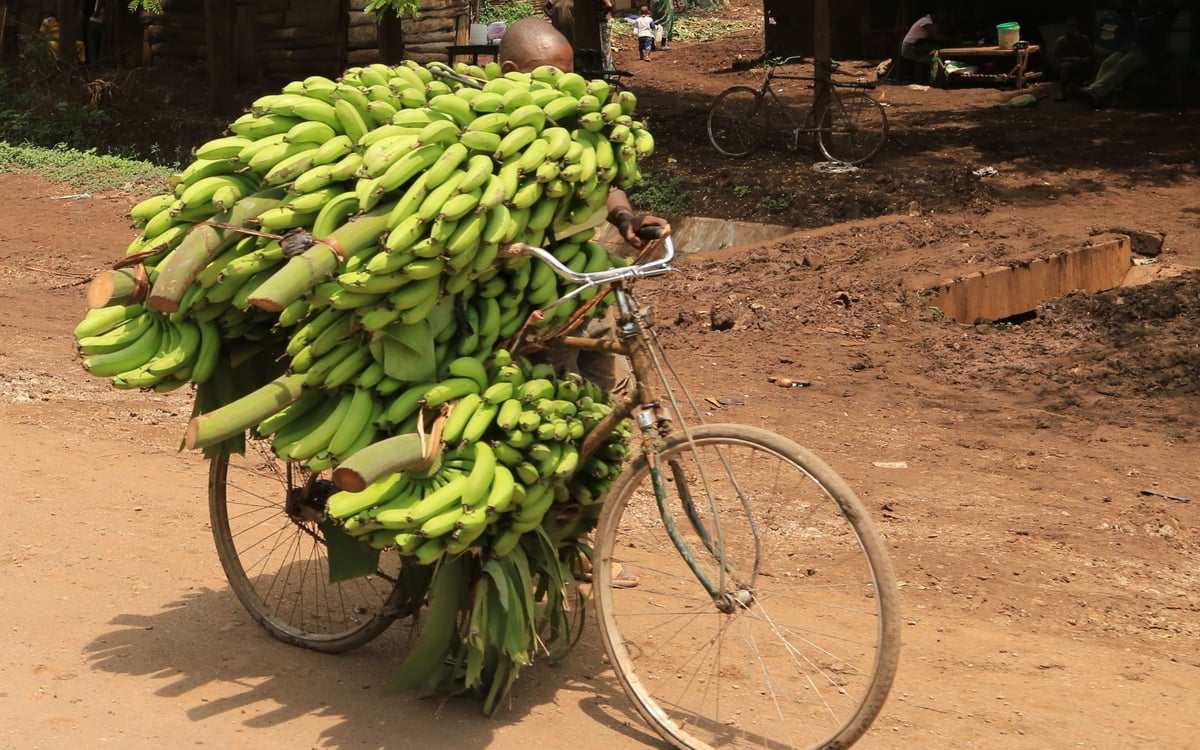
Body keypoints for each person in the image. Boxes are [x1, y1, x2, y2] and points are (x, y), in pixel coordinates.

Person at [1080, 0, 1179, 106]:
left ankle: (1098, 92)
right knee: (1109, 62)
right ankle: (1093, 89)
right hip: (1133, 47)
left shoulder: (1161, 15)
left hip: (1149, 51)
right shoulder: (1138, 13)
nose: (1140, 2)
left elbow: (1153, 35)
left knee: (1124, 63)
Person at [1054, 16, 1095, 101]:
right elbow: (1058, 59)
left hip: (1081, 63)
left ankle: (1090, 88)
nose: (1072, 29)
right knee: (1066, 66)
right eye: (1070, 26)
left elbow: (1089, 55)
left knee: (1091, 62)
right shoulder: (1061, 41)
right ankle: (1062, 91)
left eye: (1074, 26)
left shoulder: (1084, 39)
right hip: (1067, 64)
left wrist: (1083, 59)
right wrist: (1072, 59)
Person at [86, 1, 104, 67]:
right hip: (100, 23)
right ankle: (96, 64)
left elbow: (96, 12)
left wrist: (92, 14)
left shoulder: (99, 2)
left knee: (92, 45)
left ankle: (93, 65)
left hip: (94, 22)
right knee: (97, 45)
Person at [598, 0, 615, 71]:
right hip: (603, 23)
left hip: (603, 24)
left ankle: (607, 71)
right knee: (605, 48)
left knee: (605, 49)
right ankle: (608, 69)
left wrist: (602, 16)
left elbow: (609, 5)